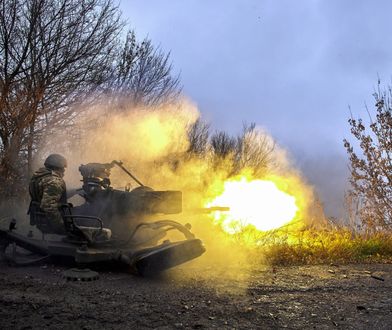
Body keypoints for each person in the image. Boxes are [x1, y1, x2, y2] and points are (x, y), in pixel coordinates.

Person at [28, 154, 68, 234]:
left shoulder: (40, 177)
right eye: (63, 168)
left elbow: (45, 194)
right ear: (58, 167)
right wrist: (62, 226)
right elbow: (48, 206)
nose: (64, 171)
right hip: (49, 222)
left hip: (40, 217)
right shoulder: (54, 181)